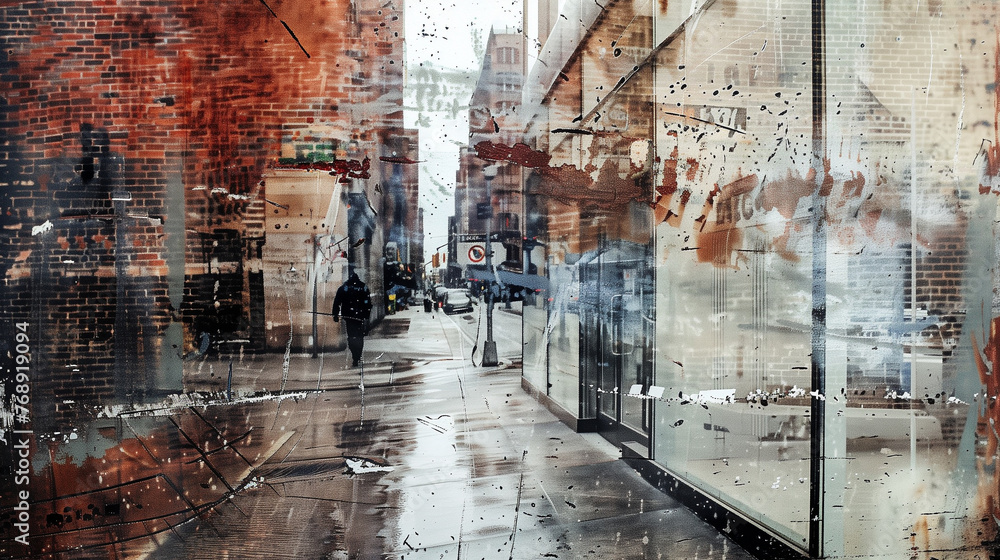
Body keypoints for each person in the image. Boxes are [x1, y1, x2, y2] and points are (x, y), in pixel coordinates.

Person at [332, 272, 373, 367]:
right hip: (359, 317)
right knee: (359, 336)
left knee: (351, 336)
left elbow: (337, 301)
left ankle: (355, 354)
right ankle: (357, 355)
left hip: (349, 316)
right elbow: (368, 303)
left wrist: (335, 314)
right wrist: (366, 316)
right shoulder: (363, 287)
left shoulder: (344, 288)